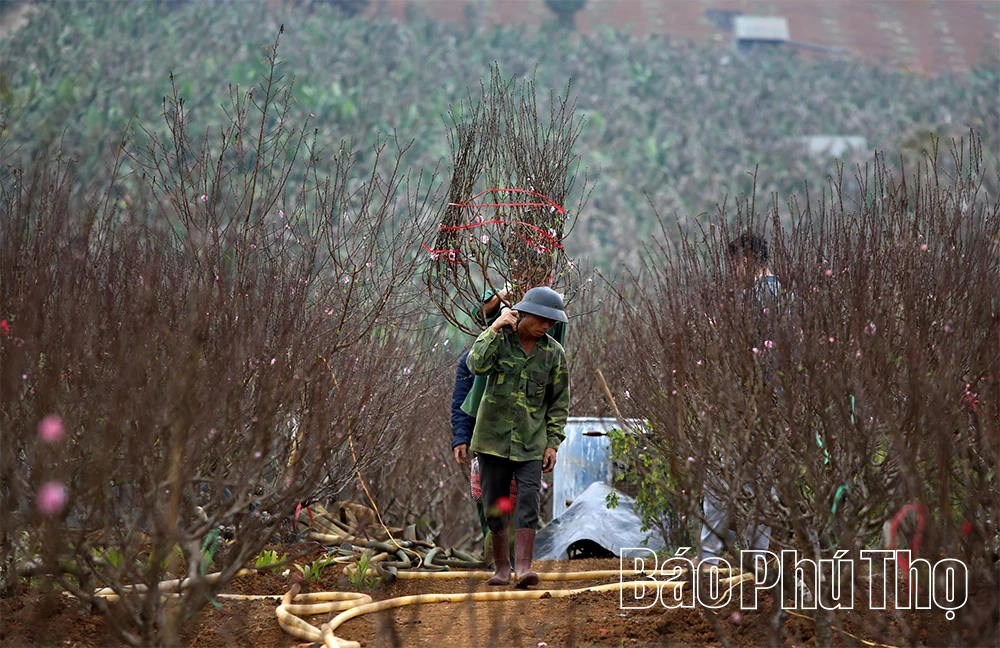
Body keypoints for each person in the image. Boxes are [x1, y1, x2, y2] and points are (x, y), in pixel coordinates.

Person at [467, 286, 570, 587]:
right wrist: (494, 328)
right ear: (526, 314)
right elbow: (476, 364)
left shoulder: (554, 354)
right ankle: (501, 569)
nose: (547, 327)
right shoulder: (500, 341)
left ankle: (523, 568)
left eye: (552, 323)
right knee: (496, 503)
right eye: (543, 320)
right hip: (492, 440)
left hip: (531, 443)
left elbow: (559, 402)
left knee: (528, 500)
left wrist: (553, 443)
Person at [698, 231, 785, 572]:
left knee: (720, 482)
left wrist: (718, 335)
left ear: (745, 260)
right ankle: (757, 560)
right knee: (764, 485)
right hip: (776, 409)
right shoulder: (790, 298)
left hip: (743, 407)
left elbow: (738, 355)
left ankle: (708, 560)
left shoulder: (749, 302)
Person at [451, 347, 516, 564]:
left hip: (519, 442)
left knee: (517, 501)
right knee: (487, 501)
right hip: (485, 441)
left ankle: (511, 560)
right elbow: (462, 401)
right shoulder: (470, 359)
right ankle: (495, 560)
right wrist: (461, 437)